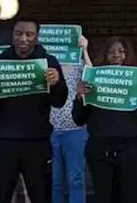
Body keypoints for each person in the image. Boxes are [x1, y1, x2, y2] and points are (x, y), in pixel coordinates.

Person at [0, 16, 69, 203]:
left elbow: (59, 102)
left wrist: (56, 84)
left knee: (40, 195)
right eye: (19, 34)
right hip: (3, 141)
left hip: (37, 142)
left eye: (29, 34)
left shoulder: (49, 62)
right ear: (12, 35)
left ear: (37, 36)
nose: (23, 39)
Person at [73, 37, 137, 203]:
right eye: (111, 52)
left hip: (131, 150)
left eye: (121, 51)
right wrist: (79, 97)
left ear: (128, 54)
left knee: (130, 197)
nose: (116, 55)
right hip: (100, 151)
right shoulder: (94, 80)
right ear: (104, 55)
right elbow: (79, 119)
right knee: (104, 198)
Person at [49, 35, 92, 203]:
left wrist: (85, 50)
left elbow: (92, 75)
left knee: (76, 179)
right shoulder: (48, 66)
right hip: (51, 129)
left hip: (75, 129)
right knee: (55, 180)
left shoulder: (77, 64)